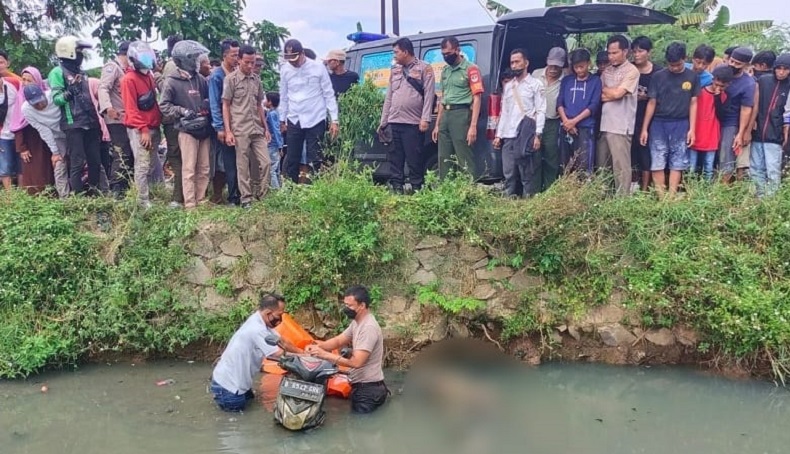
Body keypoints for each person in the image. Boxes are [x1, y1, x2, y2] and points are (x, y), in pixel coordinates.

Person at [210, 293, 304, 412]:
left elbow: (282, 341)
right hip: (229, 387)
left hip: (237, 382)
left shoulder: (262, 321)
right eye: (279, 315)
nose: (281, 318)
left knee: (250, 403)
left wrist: (303, 352)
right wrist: (303, 358)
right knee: (238, 420)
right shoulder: (256, 328)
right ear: (268, 313)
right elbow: (277, 353)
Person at [307, 286, 387, 414]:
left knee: (360, 425)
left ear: (362, 305)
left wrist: (324, 355)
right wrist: (318, 346)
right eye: (345, 304)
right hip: (362, 387)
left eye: (349, 305)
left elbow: (356, 362)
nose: (346, 308)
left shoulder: (368, 328)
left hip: (368, 391)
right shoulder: (357, 322)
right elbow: (339, 341)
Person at [640, 42, 699, 199]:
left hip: (681, 123)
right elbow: (651, 102)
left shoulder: (692, 77)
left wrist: (692, 129)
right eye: (671, 65)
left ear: (685, 58)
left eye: (678, 64)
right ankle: (662, 198)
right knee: (657, 159)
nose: (674, 68)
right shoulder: (658, 76)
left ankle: (671, 197)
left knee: (678, 161)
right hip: (658, 123)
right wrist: (645, 128)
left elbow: (693, 103)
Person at [379, 37, 436, 194]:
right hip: (394, 121)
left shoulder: (424, 68)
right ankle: (397, 189)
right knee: (395, 160)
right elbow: (389, 96)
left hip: (413, 123)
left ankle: (416, 190)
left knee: (414, 159)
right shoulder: (395, 70)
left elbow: (429, 95)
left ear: (405, 52)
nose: (394, 55)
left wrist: (425, 119)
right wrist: (383, 121)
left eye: (396, 52)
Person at [160, 40, 213, 210]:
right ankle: (190, 204)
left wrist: (206, 104)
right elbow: (164, 105)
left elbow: (208, 98)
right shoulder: (171, 81)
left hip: (203, 128)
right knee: (189, 168)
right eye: (194, 57)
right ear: (185, 59)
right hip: (186, 130)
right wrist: (182, 111)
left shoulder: (200, 79)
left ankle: (201, 199)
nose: (197, 61)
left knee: (204, 167)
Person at [48, 36, 104, 196]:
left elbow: (88, 98)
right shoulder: (57, 72)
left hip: (90, 121)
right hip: (73, 123)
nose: (81, 54)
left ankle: (94, 194)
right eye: (78, 51)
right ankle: (78, 198)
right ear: (69, 51)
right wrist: (70, 91)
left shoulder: (81, 72)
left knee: (95, 161)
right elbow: (57, 99)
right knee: (77, 162)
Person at [280, 39, 339, 184]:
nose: (292, 62)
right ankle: (291, 190)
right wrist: (282, 119)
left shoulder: (318, 68)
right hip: (294, 118)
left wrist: (334, 120)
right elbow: (284, 96)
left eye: (294, 58)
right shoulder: (285, 69)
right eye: (289, 59)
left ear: (302, 54)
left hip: (315, 117)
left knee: (315, 158)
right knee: (292, 158)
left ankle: (316, 190)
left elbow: (328, 94)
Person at [493, 48, 546, 198]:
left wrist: (538, 135)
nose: (514, 65)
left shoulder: (536, 85)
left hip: (526, 136)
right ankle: (508, 203)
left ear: (526, 63)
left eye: (517, 62)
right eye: (512, 63)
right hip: (509, 135)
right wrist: (498, 135)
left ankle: (528, 204)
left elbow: (541, 110)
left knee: (527, 174)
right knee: (508, 173)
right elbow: (505, 112)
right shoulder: (509, 86)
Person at [223, 44, 271, 209]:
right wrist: (228, 131)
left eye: (253, 62)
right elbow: (226, 105)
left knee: (266, 163)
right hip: (240, 128)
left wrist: (266, 128)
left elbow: (259, 105)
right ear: (239, 60)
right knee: (242, 165)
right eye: (247, 62)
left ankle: (263, 195)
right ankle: (246, 199)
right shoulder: (231, 79)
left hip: (257, 128)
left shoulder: (257, 80)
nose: (250, 66)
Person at [432, 36, 484, 180]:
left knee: (464, 158)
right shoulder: (445, 71)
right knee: (444, 159)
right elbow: (442, 98)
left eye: (448, 53)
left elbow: (477, 98)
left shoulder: (471, 69)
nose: (446, 57)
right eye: (443, 54)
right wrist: (437, 125)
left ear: (457, 50)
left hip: (461, 114)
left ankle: (467, 190)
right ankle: (446, 189)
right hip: (446, 115)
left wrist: (473, 126)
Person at [120, 41, 162, 209]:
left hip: (153, 126)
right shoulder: (128, 80)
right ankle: (142, 201)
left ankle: (151, 195)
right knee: (142, 165)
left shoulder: (149, 76)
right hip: (140, 130)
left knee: (151, 164)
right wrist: (143, 129)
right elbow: (131, 109)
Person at [598, 34, 640, 196]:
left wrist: (612, 93)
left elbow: (618, 94)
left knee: (621, 167)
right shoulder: (606, 71)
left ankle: (622, 201)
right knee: (603, 166)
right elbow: (600, 95)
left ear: (625, 51)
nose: (611, 56)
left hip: (621, 126)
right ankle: (605, 199)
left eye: (615, 53)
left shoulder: (632, 71)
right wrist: (613, 93)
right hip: (605, 124)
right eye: (609, 53)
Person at [99, 41, 135, 198]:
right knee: (121, 152)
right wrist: (108, 108)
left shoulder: (125, 70)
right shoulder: (112, 67)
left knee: (128, 152)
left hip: (126, 118)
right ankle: (116, 188)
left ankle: (126, 187)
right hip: (116, 117)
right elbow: (103, 88)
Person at [750, 53, 790, 198]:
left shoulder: (788, 86)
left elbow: (787, 112)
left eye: (785, 69)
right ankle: (758, 199)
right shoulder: (763, 80)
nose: (781, 72)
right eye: (779, 68)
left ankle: (771, 201)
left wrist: (784, 131)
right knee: (756, 168)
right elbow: (754, 103)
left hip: (775, 134)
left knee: (773, 169)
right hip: (758, 132)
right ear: (774, 68)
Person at [9, 67, 54, 194]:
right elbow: (17, 125)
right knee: (34, 174)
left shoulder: (46, 96)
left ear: (37, 81)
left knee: (50, 171)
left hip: (47, 142)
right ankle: (35, 201)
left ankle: (52, 198)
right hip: (30, 144)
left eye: (30, 80)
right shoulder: (20, 99)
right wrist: (22, 148)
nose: (25, 83)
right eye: (23, 80)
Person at [20, 83, 70, 197]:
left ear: (43, 94)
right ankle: (65, 199)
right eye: (35, 104)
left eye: (40, 101)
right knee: (59, 164)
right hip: (57, 136)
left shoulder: (53, 96)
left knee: (83, 160)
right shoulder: (26, 109)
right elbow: (43, 130)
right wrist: (55, 152)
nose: (40, 105)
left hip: (72, 131)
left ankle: (100, 192)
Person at [557, 49, 602, 176]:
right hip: (565, 127)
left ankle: (583, 186)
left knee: (584, 164)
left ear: (589, 63)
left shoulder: (595, 81)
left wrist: (574, 122)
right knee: (564, 163)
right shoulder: (567, 80)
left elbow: (594, 105)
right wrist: (566, 122)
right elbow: (559, 103)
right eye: (576, 67)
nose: (579, 70)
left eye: (582, 66)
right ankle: (566, 186)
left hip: (585, 128)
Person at [209, 38, 241, 206]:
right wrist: (220, 128)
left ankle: (238, 193)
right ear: (225, 55)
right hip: (224, 127)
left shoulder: (238, 73)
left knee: (238, 161)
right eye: (234, 55)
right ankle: (227, 196)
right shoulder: (217, 76)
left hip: (238, 125)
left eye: (238, 55)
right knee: (225, 163)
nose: (237, 58)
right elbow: (215, 103)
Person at [719, 47, 757, 182]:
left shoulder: (748, 83)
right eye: (732, 61)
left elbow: (746, 109)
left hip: (730, 123)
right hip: (712, 120)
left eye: (738, 63)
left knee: (726, 158)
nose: (733, 65)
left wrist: (741, 133)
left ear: (746, 65)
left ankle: (722, 188)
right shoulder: (721, 71)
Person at [689, 66, 733, 182]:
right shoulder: (700, 92)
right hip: (696, 133)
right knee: (691, 167)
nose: (718, 88)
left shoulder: (725, 96)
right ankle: (689, 188)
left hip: (712, 135)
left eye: (722, 86)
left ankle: (707, 189)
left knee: (708, 167)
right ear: (713, 79)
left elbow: (721, 115)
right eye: (716, 84)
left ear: (728, 85)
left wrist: (717, 97)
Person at [631, 36, 662, 192]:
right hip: (630, 117)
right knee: (631, 151)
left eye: (640, 51)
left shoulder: (658, 72)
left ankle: (645, 188)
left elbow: (661, 96)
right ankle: (632, 185)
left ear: (649, 52)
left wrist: (648, 97)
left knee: (646, 152)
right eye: (634, 51)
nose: (637, 55)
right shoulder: (629, 69)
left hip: (650, 118)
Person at [532, 47, 565, 191]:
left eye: (557, 66)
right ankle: (534, 190)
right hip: (534, 122)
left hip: (552, 122)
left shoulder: (565, 78)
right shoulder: (536, 74)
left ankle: (549, 189)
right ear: (547, 61)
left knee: (551, 157)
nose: (553, 69)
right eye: (551, 65)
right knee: (534, 157)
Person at [162, 35, 185, 208]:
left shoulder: (171, 65)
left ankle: (178, 197)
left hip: (173, 120)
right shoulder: (188, 65)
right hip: (185, 118)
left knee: (176, 157)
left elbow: (166, 92)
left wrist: (156, 76)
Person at [0, 74, 20, 190]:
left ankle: (23, 194)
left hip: (19, 131)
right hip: (2, 135)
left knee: (21, 166)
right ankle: (10, 197)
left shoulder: (14, 83)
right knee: (5, 167)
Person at [264, 92, 283, 189]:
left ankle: (276, 190)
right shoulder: (276, 112)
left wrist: (280, 145)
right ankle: (280, 188)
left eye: (265, 99)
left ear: (270, 102)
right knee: (276, 169)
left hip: (272, 144)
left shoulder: (271, 114)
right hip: (275, 144)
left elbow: (276, 130)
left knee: (272, 169)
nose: (263, 101)